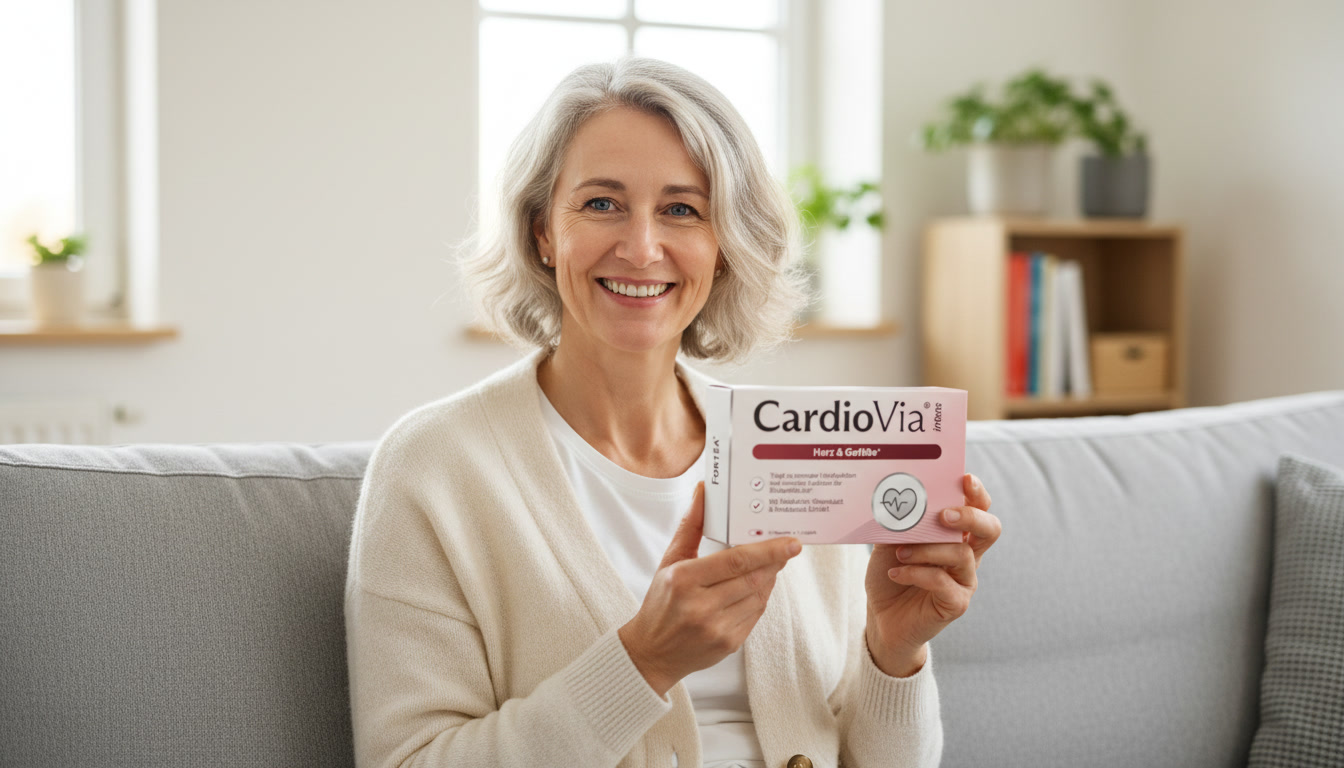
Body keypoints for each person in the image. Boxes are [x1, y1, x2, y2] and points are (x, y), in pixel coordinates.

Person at [344, 55, 1002, 768]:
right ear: (541, 230)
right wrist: (642, 662)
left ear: (722, 248)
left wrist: (893, 651)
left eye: (682, 210)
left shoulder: (801, 449)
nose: (641, 247)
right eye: (601, 203)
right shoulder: (435, 466)